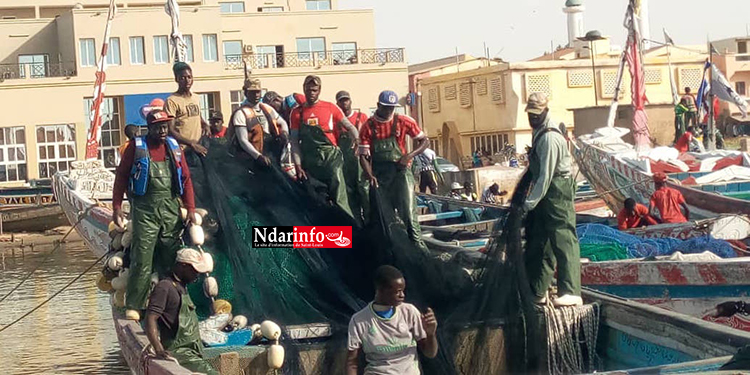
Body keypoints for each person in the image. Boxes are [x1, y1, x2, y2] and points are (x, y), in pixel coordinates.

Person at [112, 109, 197, 321]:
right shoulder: (137, 148)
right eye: (158, 127)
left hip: (170, 207)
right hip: (145, 209)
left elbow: (185, 178)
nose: (162, 130)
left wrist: (191, 208)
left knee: (172, 255)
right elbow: (121, 177)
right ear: (149, 127)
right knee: (142, 256)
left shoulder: (174, 148)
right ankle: (135, 304)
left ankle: (172, 304)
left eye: (165, 126)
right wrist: (116, 207)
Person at [522, 92, 581, 307]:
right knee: (541, 241)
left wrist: (528, 203)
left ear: (546, 111)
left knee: (563, 238)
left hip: (557, 191)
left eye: (537, 114)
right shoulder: (538, 133)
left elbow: (545, 177)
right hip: (545, 194)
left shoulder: (549, 138)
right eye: (531, 114)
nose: (533, 118)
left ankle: (571, 290)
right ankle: (538, 290)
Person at [359, 90, 429, 246]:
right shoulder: (368, 126)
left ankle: (418, 247)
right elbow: (363, 155)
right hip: (380, 177)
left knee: (409, 214)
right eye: (386, 107)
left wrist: (409, 156)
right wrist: (370, 175)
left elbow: (424, 141)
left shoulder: (404, 121)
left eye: (392, 107)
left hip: (401, 173)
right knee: (383, 216)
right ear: (378, 106)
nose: (389, 111)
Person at [346, 265, 438, 375]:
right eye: (398, 291)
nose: (402, 295)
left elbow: (430, 353)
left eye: (403, 291)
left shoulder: (409, 312)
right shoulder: (359, 320)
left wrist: (430, 334)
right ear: (380, 290)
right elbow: (352, 362)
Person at [290, 75, 359, 220]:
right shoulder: (297, 113)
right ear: (304, 89)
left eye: (314, 90)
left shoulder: (330, 107)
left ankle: (349, 228)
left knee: (339, 193)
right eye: (308, 89)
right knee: (316, 198)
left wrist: (357, 140)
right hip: (311, 160)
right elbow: (295, 141)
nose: (311, 92)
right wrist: (298, 164)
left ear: (319, 90)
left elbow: (350, 127)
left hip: (331, 158)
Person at [145, 248, 218, 375]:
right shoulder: (165, 287)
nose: (197, 275)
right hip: (178, 351)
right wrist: (158, 348)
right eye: (194, 270)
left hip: (192, 351)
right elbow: (150, 318)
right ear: (183, 266)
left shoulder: (182, 287)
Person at [230, 78, 290, 168]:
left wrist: (284, 132)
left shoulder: (266, 108)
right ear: (246, 93)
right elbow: (243, 140)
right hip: (251, 160)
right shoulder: (241, 114)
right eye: (253, 92)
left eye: (258, 92)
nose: (256, 95)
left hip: (272, 154)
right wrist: (257, 156)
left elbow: (282, 122)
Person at [336, 90, 371, 222]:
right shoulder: (336, 121)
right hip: (345, 162)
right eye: (341, 100)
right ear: (337, 103)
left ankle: (369, 220)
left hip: (361, 162)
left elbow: (369, 137)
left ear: (350, 101)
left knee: (364, 190)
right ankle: (356, 223)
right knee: (349, 192)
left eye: (346, 100)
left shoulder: (361, 117)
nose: (344, 103)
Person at [164, 62, 210, 157]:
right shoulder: (172, 101)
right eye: (183, 78)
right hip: (183, 151)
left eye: (189, 77)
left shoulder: (196, 98)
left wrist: (205, 125)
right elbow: (170, 130)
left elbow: (197, 116)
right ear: (177, 79)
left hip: (199, 148)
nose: (187, 80)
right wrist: (191, 144)